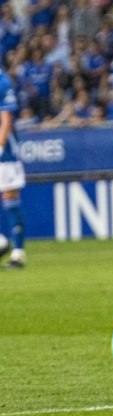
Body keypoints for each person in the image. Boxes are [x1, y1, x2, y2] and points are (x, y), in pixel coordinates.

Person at [0, 67, 26, 268]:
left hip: (6, 153)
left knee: (10, 199)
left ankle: (18, 253)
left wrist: (0, 147)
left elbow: (6, 119)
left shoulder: (3, 82)